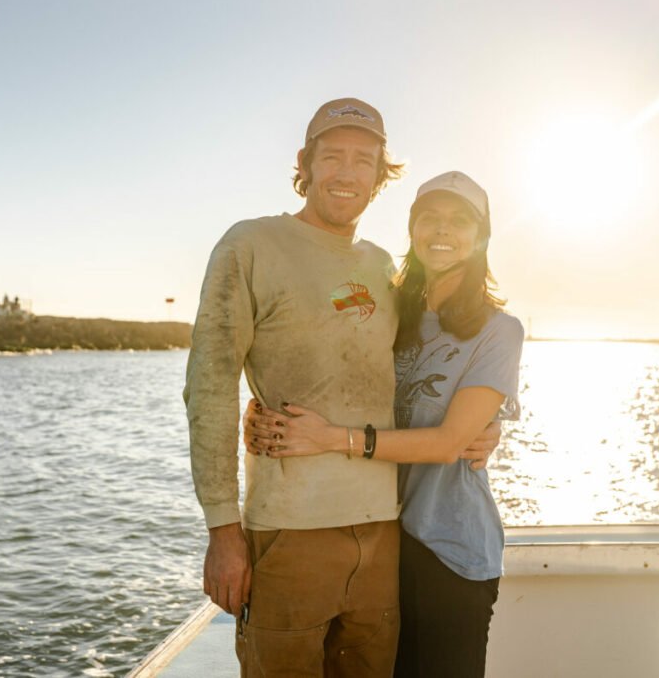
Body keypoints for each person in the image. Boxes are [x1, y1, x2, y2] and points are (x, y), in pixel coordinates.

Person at [184, 99, 499, 677]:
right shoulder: (250, 245)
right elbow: (208, 389)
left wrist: (485, 427)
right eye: (332, 157)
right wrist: (223, 530)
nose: (347, 173)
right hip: (289, 531)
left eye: (363, 161)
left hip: (384, 535)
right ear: (305, 163)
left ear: (380, 178)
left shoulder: (383, 269)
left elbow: (422, 371)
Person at [246, 171, 523, 677]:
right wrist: (265, 405)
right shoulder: (389, 308)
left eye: (460, 220)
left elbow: (449, 443)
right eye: (429, 217)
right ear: (412, 228)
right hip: (381, 543)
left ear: (481, 236)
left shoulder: (499, 330)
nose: (442, 230)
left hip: (452, 550)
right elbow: (313, 332)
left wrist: (332, 439)